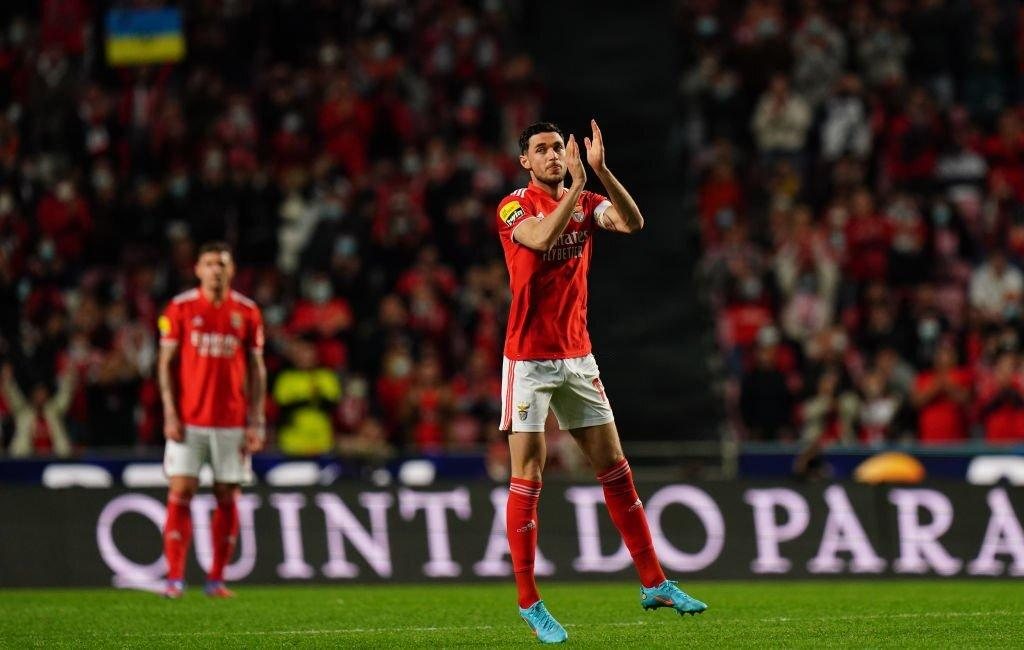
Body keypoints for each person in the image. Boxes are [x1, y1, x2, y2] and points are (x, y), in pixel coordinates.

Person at [495, 121, 707, 643]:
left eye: (555, 149)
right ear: (525, 161)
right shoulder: (512, 207)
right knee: (530, 473)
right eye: (541, 151)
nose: (551, 156)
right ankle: (529, 602)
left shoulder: (588, 200)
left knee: (614, 467)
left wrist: (602, 173)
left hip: (577, 357)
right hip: (528, 360)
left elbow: (634, 222)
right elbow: (542, 240)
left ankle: (654, 582)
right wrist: (572, 191)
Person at [157, 241, 266, 599]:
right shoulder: (181, 308)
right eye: (209, 263)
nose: (216, 269)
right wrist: (170, 413)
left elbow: (256, 368)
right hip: (190, 420)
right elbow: (166, 364)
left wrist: (257, 420)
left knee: (227, 495)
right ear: (197, 269)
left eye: (222, 263)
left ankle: (216, 579)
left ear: (232, 270)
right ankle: (174, 578)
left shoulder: (247, 312)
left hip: (232, 422)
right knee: (181, 490)